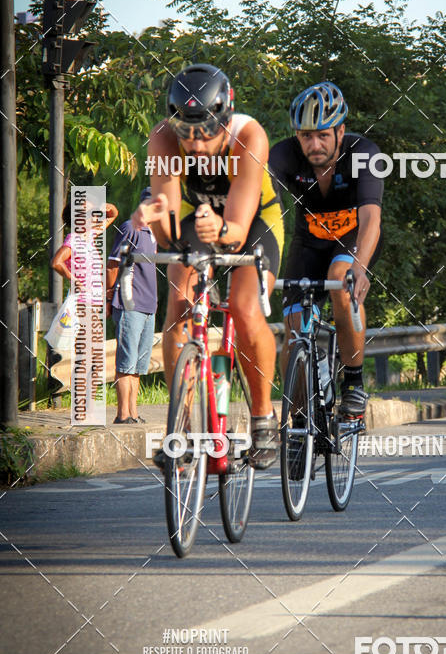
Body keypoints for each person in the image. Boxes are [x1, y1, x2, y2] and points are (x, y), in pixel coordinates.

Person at [131, 63, 284, 468]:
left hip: (251, 223)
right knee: (178, 303)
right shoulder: (164, 137)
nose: (196, 145)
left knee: (244, 308)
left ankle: (263, 418)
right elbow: (166, 228)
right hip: (197, 218)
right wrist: (152, 217)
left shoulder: (248, 136)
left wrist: (222, 229)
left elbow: (235, 228)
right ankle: (179, 428)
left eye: (206, 133)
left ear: (226, 119)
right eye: (187, 132)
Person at [269, 81, 383, 417]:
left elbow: (371, 219)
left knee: (341, 281)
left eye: (323, 135)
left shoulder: (364, 153)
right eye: (306, 136)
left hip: (354, 240)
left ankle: (354, 381)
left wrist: (360, 268)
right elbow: (258, 206)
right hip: (309, 243)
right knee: (293, 325)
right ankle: (299, 420)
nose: (314, 144)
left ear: (340, 131)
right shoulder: (283, 155)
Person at [106, 188, 158, 424]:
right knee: (126, 361)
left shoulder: (153, 233)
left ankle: (133, 413)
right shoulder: (130, 228)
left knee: (138, 364)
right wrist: (109, 297)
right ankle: (122, 414)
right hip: (129, 303)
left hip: (149, 306)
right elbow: (113, 264)